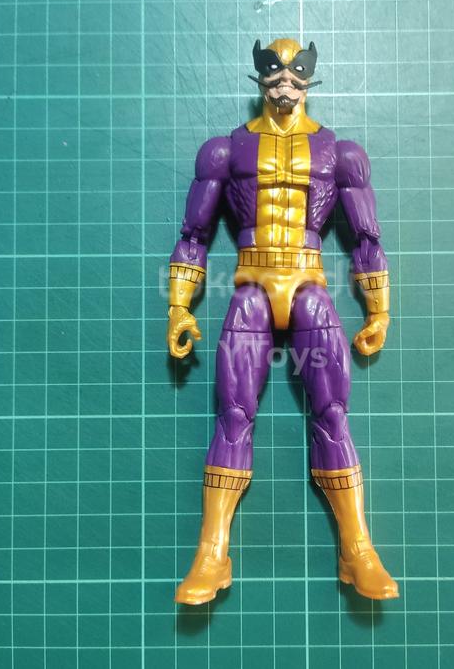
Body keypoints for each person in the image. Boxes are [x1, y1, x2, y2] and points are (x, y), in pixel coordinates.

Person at [167, 38, 398, 604]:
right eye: (275, 74)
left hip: (309, 287)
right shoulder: (225, 152)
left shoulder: (339, 154)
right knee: (233, 416)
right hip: (251, 287)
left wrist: (378, 307)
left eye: (295, 75)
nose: (285, 84)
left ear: (308, 80)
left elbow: (366, 238)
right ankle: (212, 552)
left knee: (333, 414)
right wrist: (179, 305)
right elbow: (194, 235)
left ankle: (357, 548)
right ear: (261, 79)